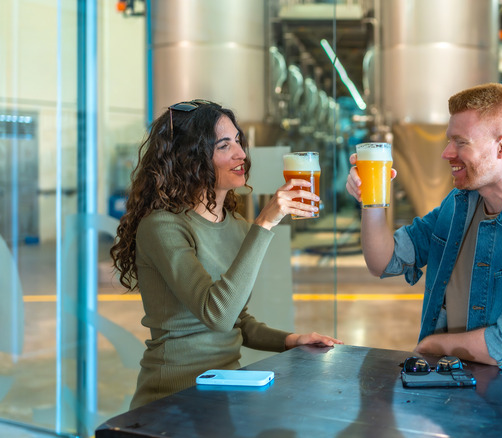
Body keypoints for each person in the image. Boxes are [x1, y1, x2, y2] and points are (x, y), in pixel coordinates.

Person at [345, 83, 502, 437]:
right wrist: (372, 201)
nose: (447, 153)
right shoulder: (460, 203)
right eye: (449, 140)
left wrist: (433, 346)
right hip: (456, 394)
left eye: (461, 142)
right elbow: (383, 261)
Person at [111, 99, 342, 409]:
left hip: (224, 392)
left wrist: (291, 340)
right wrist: (265, 222)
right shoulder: (162, 227)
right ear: (189, 158)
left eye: (238, 141)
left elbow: (236, 320)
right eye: (223, 146)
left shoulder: (236, 227)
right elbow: (217, 315)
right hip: (171, 400)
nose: (241, 154)